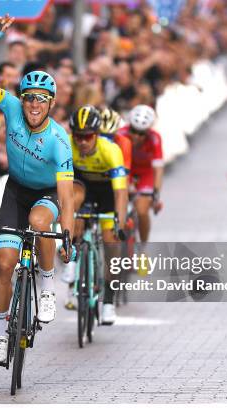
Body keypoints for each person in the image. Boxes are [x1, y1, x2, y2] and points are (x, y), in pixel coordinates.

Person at [0, 14, 74, 365]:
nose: (33, 105)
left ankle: (47, 288)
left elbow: (66, 193)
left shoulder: (60, 140)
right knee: (4, 265)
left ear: (51, 104)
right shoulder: (11, 108)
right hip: (15, 189)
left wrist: (69, 232)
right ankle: (1, 337)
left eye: (41, 100)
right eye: (29, 98)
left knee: (41, 221)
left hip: (47, 193)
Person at [66, 105, 128, 324]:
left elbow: (121, 192)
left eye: (88, 136)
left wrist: (118, 222)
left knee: (111, 243)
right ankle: (72, 261)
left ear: (97, 134)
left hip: (107, 193)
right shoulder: (68, 146)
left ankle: (109, 303)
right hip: (84, 188)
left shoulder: (110, 150)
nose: (82, 141)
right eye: (78, 136)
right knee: (74, 208)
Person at [118, 105, 163, 244]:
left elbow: (158, 168)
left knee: (142, 210)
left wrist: (155, 193)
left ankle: (143, 248)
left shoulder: (155, 138)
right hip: (126, 172)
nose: (137, 136)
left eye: (141, 133)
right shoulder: (120, 135)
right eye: (134, 131)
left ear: (148, 131)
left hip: (145, 174)